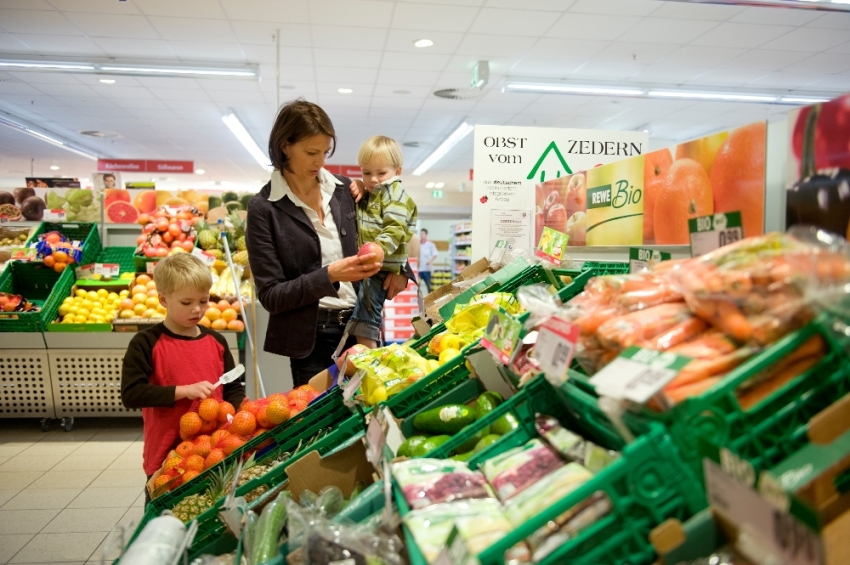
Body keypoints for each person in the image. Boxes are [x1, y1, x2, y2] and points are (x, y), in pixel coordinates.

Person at [246, 99, 412, 387]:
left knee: (365, 415)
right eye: (311, 152)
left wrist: (402, 269)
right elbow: (272, 295)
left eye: (325, 152)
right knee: (318, 424)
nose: (320, 161)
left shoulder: (345, 190)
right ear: (285, 145)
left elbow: (387, 225)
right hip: (309, 339)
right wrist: (331, 275)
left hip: (361, 325)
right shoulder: (264, 209)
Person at [120, 253, 246, 506]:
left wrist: (236, 412)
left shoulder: (217, 341)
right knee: (163, 509)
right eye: (187, 302)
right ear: (163, 299)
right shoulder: (146, 343)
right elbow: (132, 394)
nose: (197, 309)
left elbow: (232, 386)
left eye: (203, 300)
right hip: (166, 450)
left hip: (214, 448)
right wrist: (182, 391)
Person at [340, 136, 417, 350]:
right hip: (373, 263)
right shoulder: (375, 195)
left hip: (382, 265)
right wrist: (358, 187)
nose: (373, 179)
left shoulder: (395, 195)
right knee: (365, 306)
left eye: (381, 173)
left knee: (367, 310)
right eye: (366, 173)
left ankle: (369, 354)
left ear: (397, 171)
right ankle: (365, 346)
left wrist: (379, 250)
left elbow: (394, 228)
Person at [418, 228, 438, 293]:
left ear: (426, 235)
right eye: (421, 234)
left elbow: (435, 254)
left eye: (423, 234)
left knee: (428, 285)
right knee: (417, 286)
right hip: (419, 269)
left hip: (427, 269)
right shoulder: (418, 244)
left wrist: (430, 260)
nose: (421, 235)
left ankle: (429, 300)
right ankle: (418, 300)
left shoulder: (431, 245)